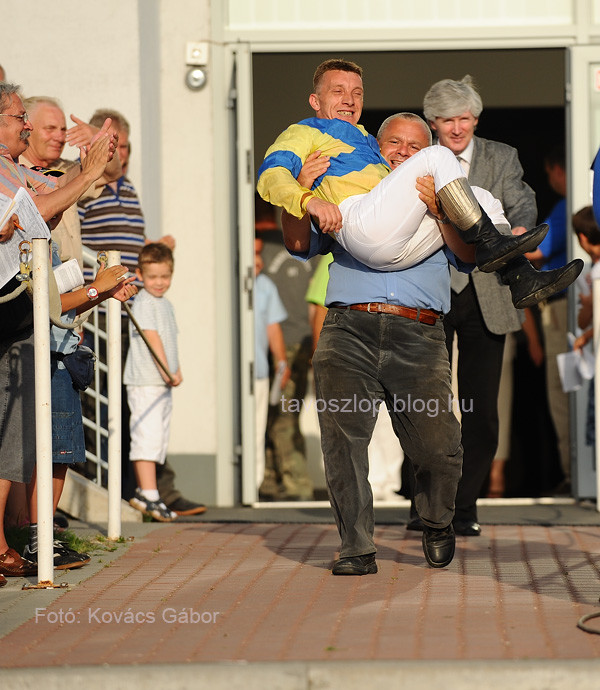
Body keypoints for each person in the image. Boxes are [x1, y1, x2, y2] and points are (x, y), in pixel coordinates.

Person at [279, 105, 505, 575]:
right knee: (343, 446)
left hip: (419, 333)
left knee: (439, 448)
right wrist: (298, 191)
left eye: (415, 147)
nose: (403, 153)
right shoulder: (354, 192)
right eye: (393, 144)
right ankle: (357, 547)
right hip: (348, 330)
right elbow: (300, 244)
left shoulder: (436, 194)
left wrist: (441, 210)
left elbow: (466, 256)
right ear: (376, 151)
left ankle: (437, 519)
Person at [258, 59, 581, 310]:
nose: (349, 100)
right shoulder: (305, 131)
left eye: (357, 93)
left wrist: (441, 210)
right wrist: (308, 199)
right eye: (338, 91)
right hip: (357, 224)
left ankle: (520, 277)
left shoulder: (367, 140)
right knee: (438, 155)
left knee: (480, 195)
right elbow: (270, 175)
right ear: (315, 100)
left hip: (396, 246)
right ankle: (492, 241)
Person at [406, 74, 562, 536]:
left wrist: (519, 230)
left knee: (481, 411)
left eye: (466, 118)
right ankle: (424, 505)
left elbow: (523, 204)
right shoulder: (418, 156)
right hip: (430, 290)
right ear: (432, 122)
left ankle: (465, 506)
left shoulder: (501, 155)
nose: (457, 128)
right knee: (424, 407)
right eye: (448, 119)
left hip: (488, 296)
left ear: (477, 118)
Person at [0, 82, 117, 580]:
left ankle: (23, 541)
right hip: (17, 314)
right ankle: (20, 541)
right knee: (12, 435)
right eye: (21, 117)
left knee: (22, 439)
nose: (27, 126)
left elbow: (56, 196)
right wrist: (86, 169)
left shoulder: (16, 169)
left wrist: (93, 163)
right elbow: (40, 211)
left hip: (31, 317)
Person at [71, 109, 205, 516]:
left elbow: (129, 240)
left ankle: (154, 487)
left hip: (135, 305)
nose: (121, 155)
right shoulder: (90, 184)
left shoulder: (127, 188)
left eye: (125, 146)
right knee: (108, 402)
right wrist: (100, 143)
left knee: (145, 399)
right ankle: (118, 487)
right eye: (115, 145)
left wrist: (155, 248)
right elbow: (78, 237)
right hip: (105, 312)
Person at [23, 243, 137, 568]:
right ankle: (38, 540)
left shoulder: (48, 243)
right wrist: (94, 289)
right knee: (52, 455)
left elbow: (62, 309)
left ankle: (40, 536)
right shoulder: (32, 244)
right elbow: (48, 305)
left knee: (58, 456)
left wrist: (102, 293)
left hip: (58, 354)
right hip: (47, 357)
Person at [255, 196, 315, 501]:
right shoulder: (259, 242)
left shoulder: (314, 243)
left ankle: (294, 484)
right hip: (259, 344)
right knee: (267, 415)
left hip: (297, 343)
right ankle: (273, 481)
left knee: (286, 413)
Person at [20, 96, 121, 268]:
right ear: (27, 127)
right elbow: (65, 180)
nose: (59, 137)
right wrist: (89, 170)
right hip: (40, 286)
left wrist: (103, 146)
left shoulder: (63, 167)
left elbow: (112, 174)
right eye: (50, 128)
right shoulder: (14, 169)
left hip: (72, 287)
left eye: (63, 129)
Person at [124, 243, 183, 521]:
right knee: (146, 436)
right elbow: (152, 339)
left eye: (164, 276)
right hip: (146, 380)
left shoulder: (166, 304)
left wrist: (176, 368)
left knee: (158, 437)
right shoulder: (144, 301)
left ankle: (151, 492)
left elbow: (170, 341)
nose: (159, 283)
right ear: (140, 274)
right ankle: (146, 494)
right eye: (152, 277)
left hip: (160, 381)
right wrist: (166, 371)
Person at [253, 236, 290, 493]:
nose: (257, 260)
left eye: (259, 253)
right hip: (233, 376)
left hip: (259, 373)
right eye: (251, 253)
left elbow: (273, 327)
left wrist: (281, 361)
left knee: (257, 430)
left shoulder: (265, 286)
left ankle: (252, 486)